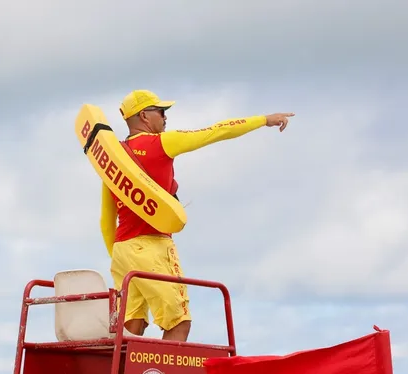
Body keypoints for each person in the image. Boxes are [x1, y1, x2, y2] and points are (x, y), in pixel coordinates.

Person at [100, 89, 294, 342]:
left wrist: (118, 257)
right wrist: (263, 120)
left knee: (132, 325)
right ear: (144, 116)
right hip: (153, 247)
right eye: (161, 111)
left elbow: (106, 221)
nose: (165, 117)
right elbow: (215, 132)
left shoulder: (114, 160)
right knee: (179, 323)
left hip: (122, 251)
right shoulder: (161, 143)